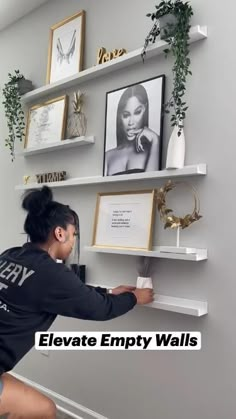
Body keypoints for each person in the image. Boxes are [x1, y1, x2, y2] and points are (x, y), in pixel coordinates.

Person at [0, 186, 154, 418]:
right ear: (60, 234)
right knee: (44, 410)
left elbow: (70, 292)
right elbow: (101, 309)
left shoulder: (10, 255)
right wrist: (135, 297)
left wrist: (109, 290)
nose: (73, 242)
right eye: (74, 235)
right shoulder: (52, 274)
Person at [105, 84, 160, 176]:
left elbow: (152, 184)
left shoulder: (153, 149)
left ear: (145, 111)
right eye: (126, 115)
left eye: (137, 112)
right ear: (119, 116)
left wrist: (155, 140)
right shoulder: (107, 156)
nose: (131, 122)